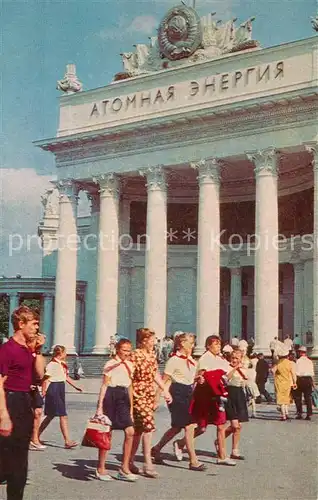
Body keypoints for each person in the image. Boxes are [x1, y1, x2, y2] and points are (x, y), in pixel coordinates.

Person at [0, 305, 45, 500]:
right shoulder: (7, 350)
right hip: (10, 401)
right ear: (21, 324)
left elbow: (40, 374)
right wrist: (3, 416)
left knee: (20, 461)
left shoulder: (28, 350)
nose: (37, 328)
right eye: (34, 324)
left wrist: (37, 350)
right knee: (6, 458)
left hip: (25, 401)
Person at [151, 333, 206, 471]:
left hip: (188, 393)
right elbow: (165, 380)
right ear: (181, 343)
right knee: (189, 426)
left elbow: (189, 379)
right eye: (190, 343)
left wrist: (198, 379)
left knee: (177, 427)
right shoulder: (173, 360)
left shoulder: (193, 361)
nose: (192, 346)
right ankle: (193, 461)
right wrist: (157, 397)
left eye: (193, 343)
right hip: (177, 394)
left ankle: (156, 449)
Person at [129, 328, 172, 478]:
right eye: (152, 340)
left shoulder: (151, 355)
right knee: (148, 427)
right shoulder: (135, 355)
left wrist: (164, 390)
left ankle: (130, 461)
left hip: (148, 393)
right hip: (137, 393)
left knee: (139, 429)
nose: (154, 343)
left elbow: (155, 373)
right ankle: (147, 463)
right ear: (144, 341)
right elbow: (130, 376)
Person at [95, 338, 137, 481]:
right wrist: (99, 406)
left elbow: (130, 387)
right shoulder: (110, 364)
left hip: (123, 396)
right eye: (124, 350)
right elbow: (105, 385)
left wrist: (131, 408)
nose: (127, 353)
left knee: (130, 431)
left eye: (129, 350)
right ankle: (101, 468)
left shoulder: (131, 365)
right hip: (110, 396)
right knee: (107, 432)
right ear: (118, 349)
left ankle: (124, 468)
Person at [39, 345, 82, 448]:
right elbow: (45, 379)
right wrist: (44, 391)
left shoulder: (61, 364)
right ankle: (67, 441)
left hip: (59, 389)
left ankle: (35, 435)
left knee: (50, 415)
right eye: (65, 352)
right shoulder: (52, 365)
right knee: (63, 415)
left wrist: (76, 386)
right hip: (54, 390)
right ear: (60, 354)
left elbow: (65, 377)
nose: (66, 354)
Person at [223, 349, 249, 459]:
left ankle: (235, 450)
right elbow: (226, 379)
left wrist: (241, 369)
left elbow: (246, 379)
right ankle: (220, 439)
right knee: (234, 425)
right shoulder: (227, 367)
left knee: (239, 426)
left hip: (239, 394)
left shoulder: (243, 369)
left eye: (237, 358)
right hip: (230, 394)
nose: (234, 360)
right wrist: (234, 368)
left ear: (241, 359)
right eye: (233, 358)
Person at [272, 346, 297, 421]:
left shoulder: (278, 363)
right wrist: (295, 382)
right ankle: (287, 413)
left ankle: (283, 416)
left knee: (281, 400)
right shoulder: (290, 363)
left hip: (279, 383)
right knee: (286, 399)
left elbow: (272, 371)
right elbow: (293, 374)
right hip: (287, 383)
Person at [294, 346, 315, 420]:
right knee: (308, 398)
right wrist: (313, 384)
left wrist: (294, 382)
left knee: (298, 397)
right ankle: (309, 414)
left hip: (300, 380)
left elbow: (296, 372)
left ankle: (299, 413)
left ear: (300, 352)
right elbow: (312, 374)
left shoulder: (298, 361)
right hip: (308, 380)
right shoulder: (310, 361)